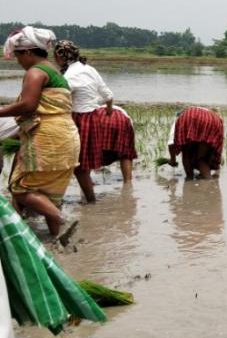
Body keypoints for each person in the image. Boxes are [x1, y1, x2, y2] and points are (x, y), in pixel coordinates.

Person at [1, 27, 80, 239]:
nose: (18, 61)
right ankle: (61, 241)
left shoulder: (35, 72)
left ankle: (65, 220)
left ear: (28, 52)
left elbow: (28, 105)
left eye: (18, 55)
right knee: (51, 194)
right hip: (67, 135)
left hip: (47, 137)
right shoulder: (55, 72)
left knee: (19, 189)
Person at [54, 40, 137, 203]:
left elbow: (60, 100)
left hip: (80, 118)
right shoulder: (89, 69)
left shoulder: (69, 75)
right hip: (94, 117)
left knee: (78, 164)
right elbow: (108, 95)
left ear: (59, 56)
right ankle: (91, 198)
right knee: (83, 163)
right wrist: (109, 109)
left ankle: (88, 201)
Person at [167, 107, 224, 179]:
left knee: (186, 153)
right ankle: (209, 181)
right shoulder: (210, 113)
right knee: (201, 159)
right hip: (215, 121)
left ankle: (189, 178)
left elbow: (171, 143)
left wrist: (172, 160)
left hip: (193, 116)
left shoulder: (181, 118)